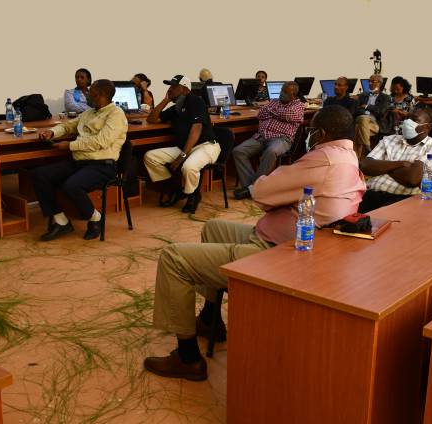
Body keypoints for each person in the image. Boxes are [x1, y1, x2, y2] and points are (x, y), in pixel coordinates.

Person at [142, 105, 366, 381]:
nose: (308, 135)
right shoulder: (347, 155)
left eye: (311, 131)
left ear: (321, 132)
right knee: (213, 228)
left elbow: (261, 192)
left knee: (173, 258)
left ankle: (187, 358)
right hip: (286, 239)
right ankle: (211, 318)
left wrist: (278, 195)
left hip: (278, 253)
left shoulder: (324, 159)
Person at [32, 80, 128, 241]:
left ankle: (95, 218)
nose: (89, 96)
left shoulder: (116, 114)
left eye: (94, 94)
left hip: (103, 164)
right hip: (80, 161)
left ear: (105, 95)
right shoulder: (89, 112)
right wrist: (52, 132)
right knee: (39, 175)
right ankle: (61, 221)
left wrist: (70, 145)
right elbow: (68, 126)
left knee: (71, 186)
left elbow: (100, 142)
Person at [144, 75, 219, 213]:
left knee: (188, 167)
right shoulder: (177, 107)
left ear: (184, 89)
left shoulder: (196, 101)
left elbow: (196, 129)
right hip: (185, 148)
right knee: (150, 157)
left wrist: (182, 155)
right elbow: (151, 119)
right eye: (170, 86)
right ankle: (176, 188)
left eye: (174, 86)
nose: (170, 89)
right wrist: (166, 100)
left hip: (205, 146)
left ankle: (193, 196)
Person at [359, 108, 432, 213]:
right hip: (369, 195)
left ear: (427, 126)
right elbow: (365, 166)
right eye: (407, 117)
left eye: (414, 119)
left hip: (401, 201)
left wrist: (382, 166)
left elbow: (413, 178)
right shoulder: (389, 139)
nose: (407, 121)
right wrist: (401, 164)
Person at [232, 82, 304, 199]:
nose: (282, 94)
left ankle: (252, 189)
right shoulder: (274, 101)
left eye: (285, 92)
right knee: (238, 151)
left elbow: (289, 115)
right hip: (261, 137)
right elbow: (260, 114)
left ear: (293, 95)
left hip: (281, 138)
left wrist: (271, 111)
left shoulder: (298, 105)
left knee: (271, 151)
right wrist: (274, 111)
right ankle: (252, 188)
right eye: (282, 90)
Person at [353, 74, 391, 158]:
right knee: (362, 121)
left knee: (357, 128)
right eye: (369, 81)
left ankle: (356, 158)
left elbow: (381, 112)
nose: (370, 83)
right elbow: (356, 110)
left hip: (376, 123)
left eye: (373, 81)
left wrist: (366, 107)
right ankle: (367, 147)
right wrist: (367, 112)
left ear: (380, 83)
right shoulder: (363, 95)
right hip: (363, 121)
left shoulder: (385, 97)